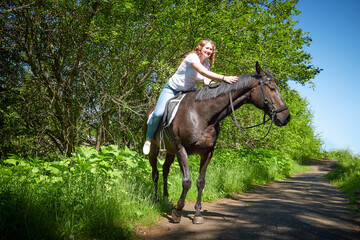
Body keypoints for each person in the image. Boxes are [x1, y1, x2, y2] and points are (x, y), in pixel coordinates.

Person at [143, 39, 239, 155]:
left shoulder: (207, 64)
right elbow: (203, 72)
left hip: (188, 91)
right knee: (158, 113)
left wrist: (220, 86)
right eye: (207, 48)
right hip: (172, 89)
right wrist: (224, 78)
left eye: (211, 49)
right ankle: (148, 139)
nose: (209, 51)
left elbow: (206, 80)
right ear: (200, 48)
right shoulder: (192, 58)